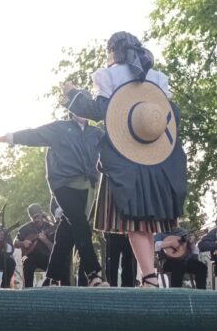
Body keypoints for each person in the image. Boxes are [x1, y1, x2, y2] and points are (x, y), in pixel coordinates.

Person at [64, 31, 187, 288]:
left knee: (133, 221)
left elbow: (98, 111)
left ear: (112, 50)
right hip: (155, 155)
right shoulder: (158, 77)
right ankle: (148, 274)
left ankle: (150, 278)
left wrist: (73, 95)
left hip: (124, 154)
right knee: (147, 221)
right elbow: (172, 114)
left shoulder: (107, 75)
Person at [0, 111, 108, 287]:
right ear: (71, 110)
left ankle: (50, 278)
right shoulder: (59, 128)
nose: (82, 111)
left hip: (87, 186)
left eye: (85, 107)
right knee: (80, 224)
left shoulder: (96, 133)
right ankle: (93, 274)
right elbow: (32, 134)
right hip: (63, 184)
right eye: (78, 107)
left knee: (66, 232)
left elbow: (115, 149)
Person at [13, 204, 54, 288]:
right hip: (29, 257)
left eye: (37, 216)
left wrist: (45, 240)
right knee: (27, 261)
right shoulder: (26, 228)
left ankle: (48, 289)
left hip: (46, 257)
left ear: (41, 214)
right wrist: (22, 243)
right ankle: (28, 290)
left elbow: (54, 249)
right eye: (33, 217)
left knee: (55, 262)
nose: (36, 219)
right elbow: (15, 243)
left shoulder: (50, 228)